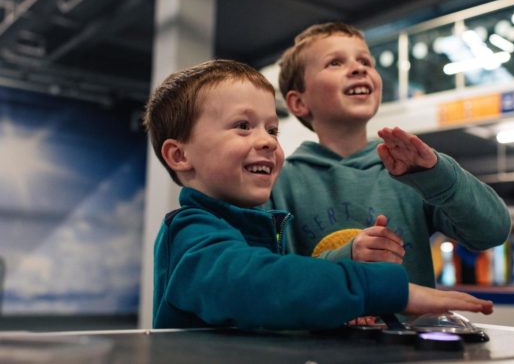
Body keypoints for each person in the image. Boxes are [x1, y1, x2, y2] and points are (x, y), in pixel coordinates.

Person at [143, 59, 493, 330]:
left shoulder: (261, 227)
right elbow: (261, 283)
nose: (267, 140)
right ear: (180, 155)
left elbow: (490, 229)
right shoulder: (191, 232)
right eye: (242, 126)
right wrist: (389, 291)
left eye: (272, 129)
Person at [268, 22, 512, 288]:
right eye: (335, 63)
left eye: (365, 61)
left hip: (407, 329)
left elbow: (492, 231)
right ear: (298, 103)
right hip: (315, 329)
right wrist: (345, 258)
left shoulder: (414, 173)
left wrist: (438, 175)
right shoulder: (278, 182)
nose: (359, 68)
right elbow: (270, 276)